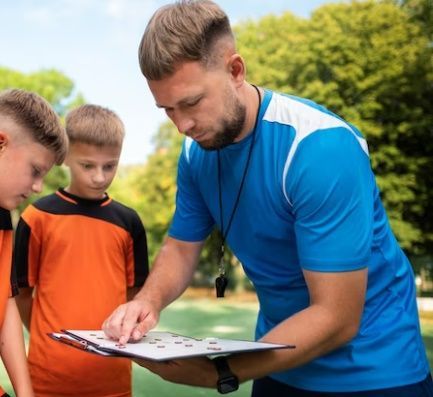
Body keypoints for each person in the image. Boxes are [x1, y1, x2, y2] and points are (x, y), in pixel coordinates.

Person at [103, 1, 433, 396]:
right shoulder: (195, 153)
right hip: (278, 359)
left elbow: (338, 316)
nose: (182, 125)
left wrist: (218, 372)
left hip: (375, 370)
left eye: (190, 103)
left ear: (235, 70)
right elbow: (180, 247)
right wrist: (148, 301)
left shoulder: (319, 148)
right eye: (167, 109)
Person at [14, 104, 149, 397]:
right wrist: (51, 339)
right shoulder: (36, 217)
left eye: (110, 166)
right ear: (65, 157)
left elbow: (134, 297)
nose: (99, 177)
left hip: (112, 380)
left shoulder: (129, 222)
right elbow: (22, 296)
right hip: (47, 379)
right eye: (87, 165)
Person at [0, 88, 68, 397]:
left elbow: (6, 302)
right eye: (35, 171)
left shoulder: (4, 217)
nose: (38, 187)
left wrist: (25, 393)